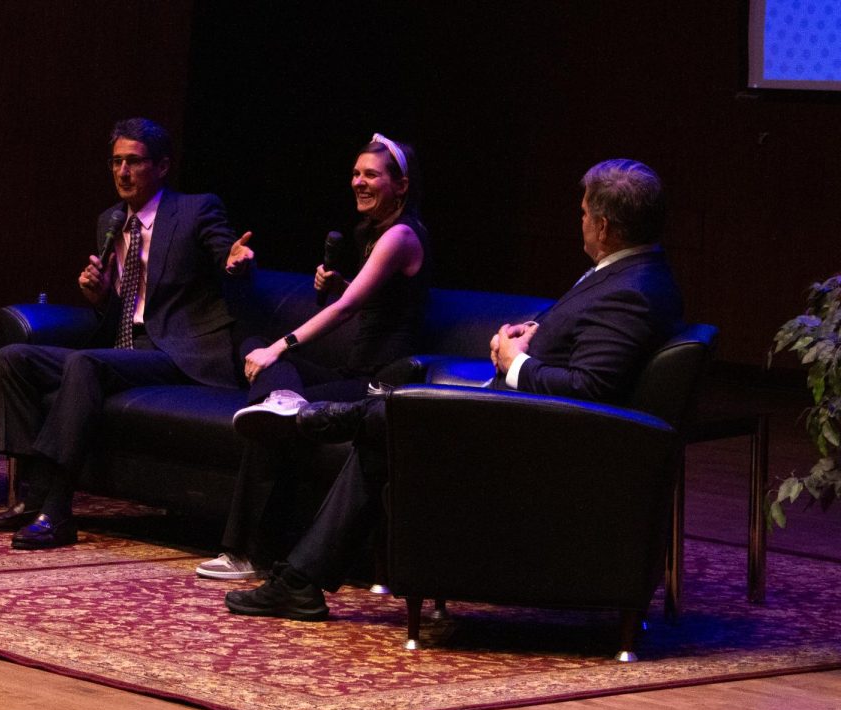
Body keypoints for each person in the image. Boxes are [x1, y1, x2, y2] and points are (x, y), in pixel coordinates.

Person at [223, 158, 684, 620]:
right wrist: (530, 332)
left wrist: (516, 360)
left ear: (604, 225)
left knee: (394, 419)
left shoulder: (632, 290)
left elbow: (591, 387)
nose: (579, 222)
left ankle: (321, 424)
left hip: (552, 439)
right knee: (391, 418)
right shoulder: (626, 272)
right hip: (535, 415)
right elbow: (581, 336)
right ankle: (303, 573)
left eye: (583, 214)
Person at [0, 117, 255, 549]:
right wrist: (100, 295)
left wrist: (236, 260)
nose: (123, 172)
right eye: (116, 162)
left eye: (134, 162)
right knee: (13, 357)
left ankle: (57, 506)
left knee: (85, 363)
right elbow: (119, 314)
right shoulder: (110, 221)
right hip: (129, 349)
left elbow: (226, 258)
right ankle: (27, 497)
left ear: (162, 166)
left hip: (180, 352)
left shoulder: (196, 209)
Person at [196, 133, 431, 580]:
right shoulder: (376, 232)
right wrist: (338, 286)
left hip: (379, 384)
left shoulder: (401, 234)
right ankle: (283, 402)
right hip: (354, 371)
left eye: (372, 175)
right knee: (256, 361)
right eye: (356, 173)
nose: (358, 182)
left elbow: (348, 310)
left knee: (269, 404)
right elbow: (370, 300)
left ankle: (247, 552)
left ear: (401, 186)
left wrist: (281, 345)